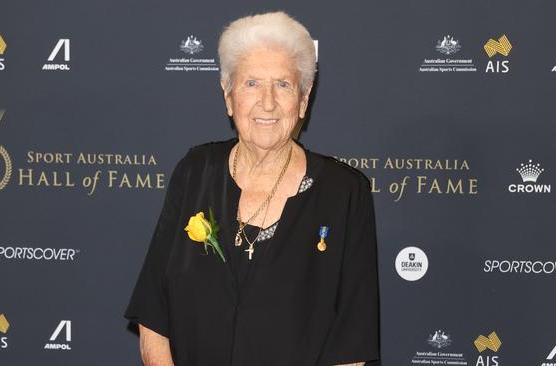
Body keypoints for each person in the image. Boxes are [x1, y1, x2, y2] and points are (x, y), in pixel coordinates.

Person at [125, 11, 380, 366]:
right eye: (252, 84)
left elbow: (353, 344)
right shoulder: (194, 172)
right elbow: (154, 315)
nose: (268, 102)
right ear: (228, 96)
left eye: (283, 85)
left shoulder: (345, 194)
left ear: (304, 101)